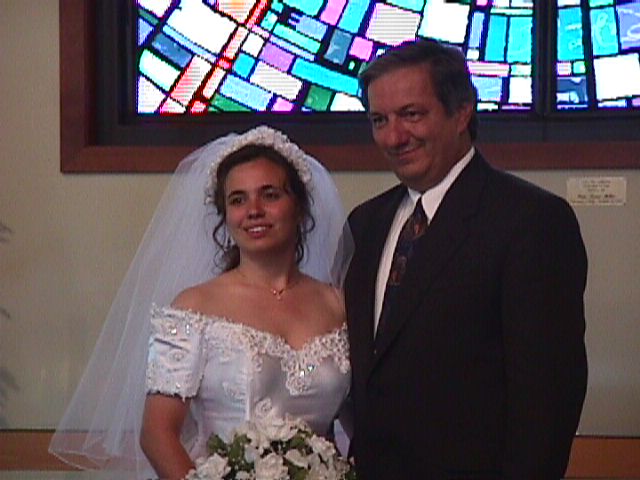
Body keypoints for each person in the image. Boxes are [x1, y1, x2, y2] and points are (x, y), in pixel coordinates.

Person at [344, 39, 588, 479]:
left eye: (412, 114)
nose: (394, 137)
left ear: (461, 113)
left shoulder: (530, 220)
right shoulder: (366, 223)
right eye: (380, 120)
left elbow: (547, 398)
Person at [49, 126, 353, 479]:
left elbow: (359, 419)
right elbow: (157, 433)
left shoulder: (338, 304)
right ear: (225, 216)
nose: (253, 210)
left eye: (269, 195)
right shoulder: (194, 306)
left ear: (299, 206)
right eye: (237, 200)